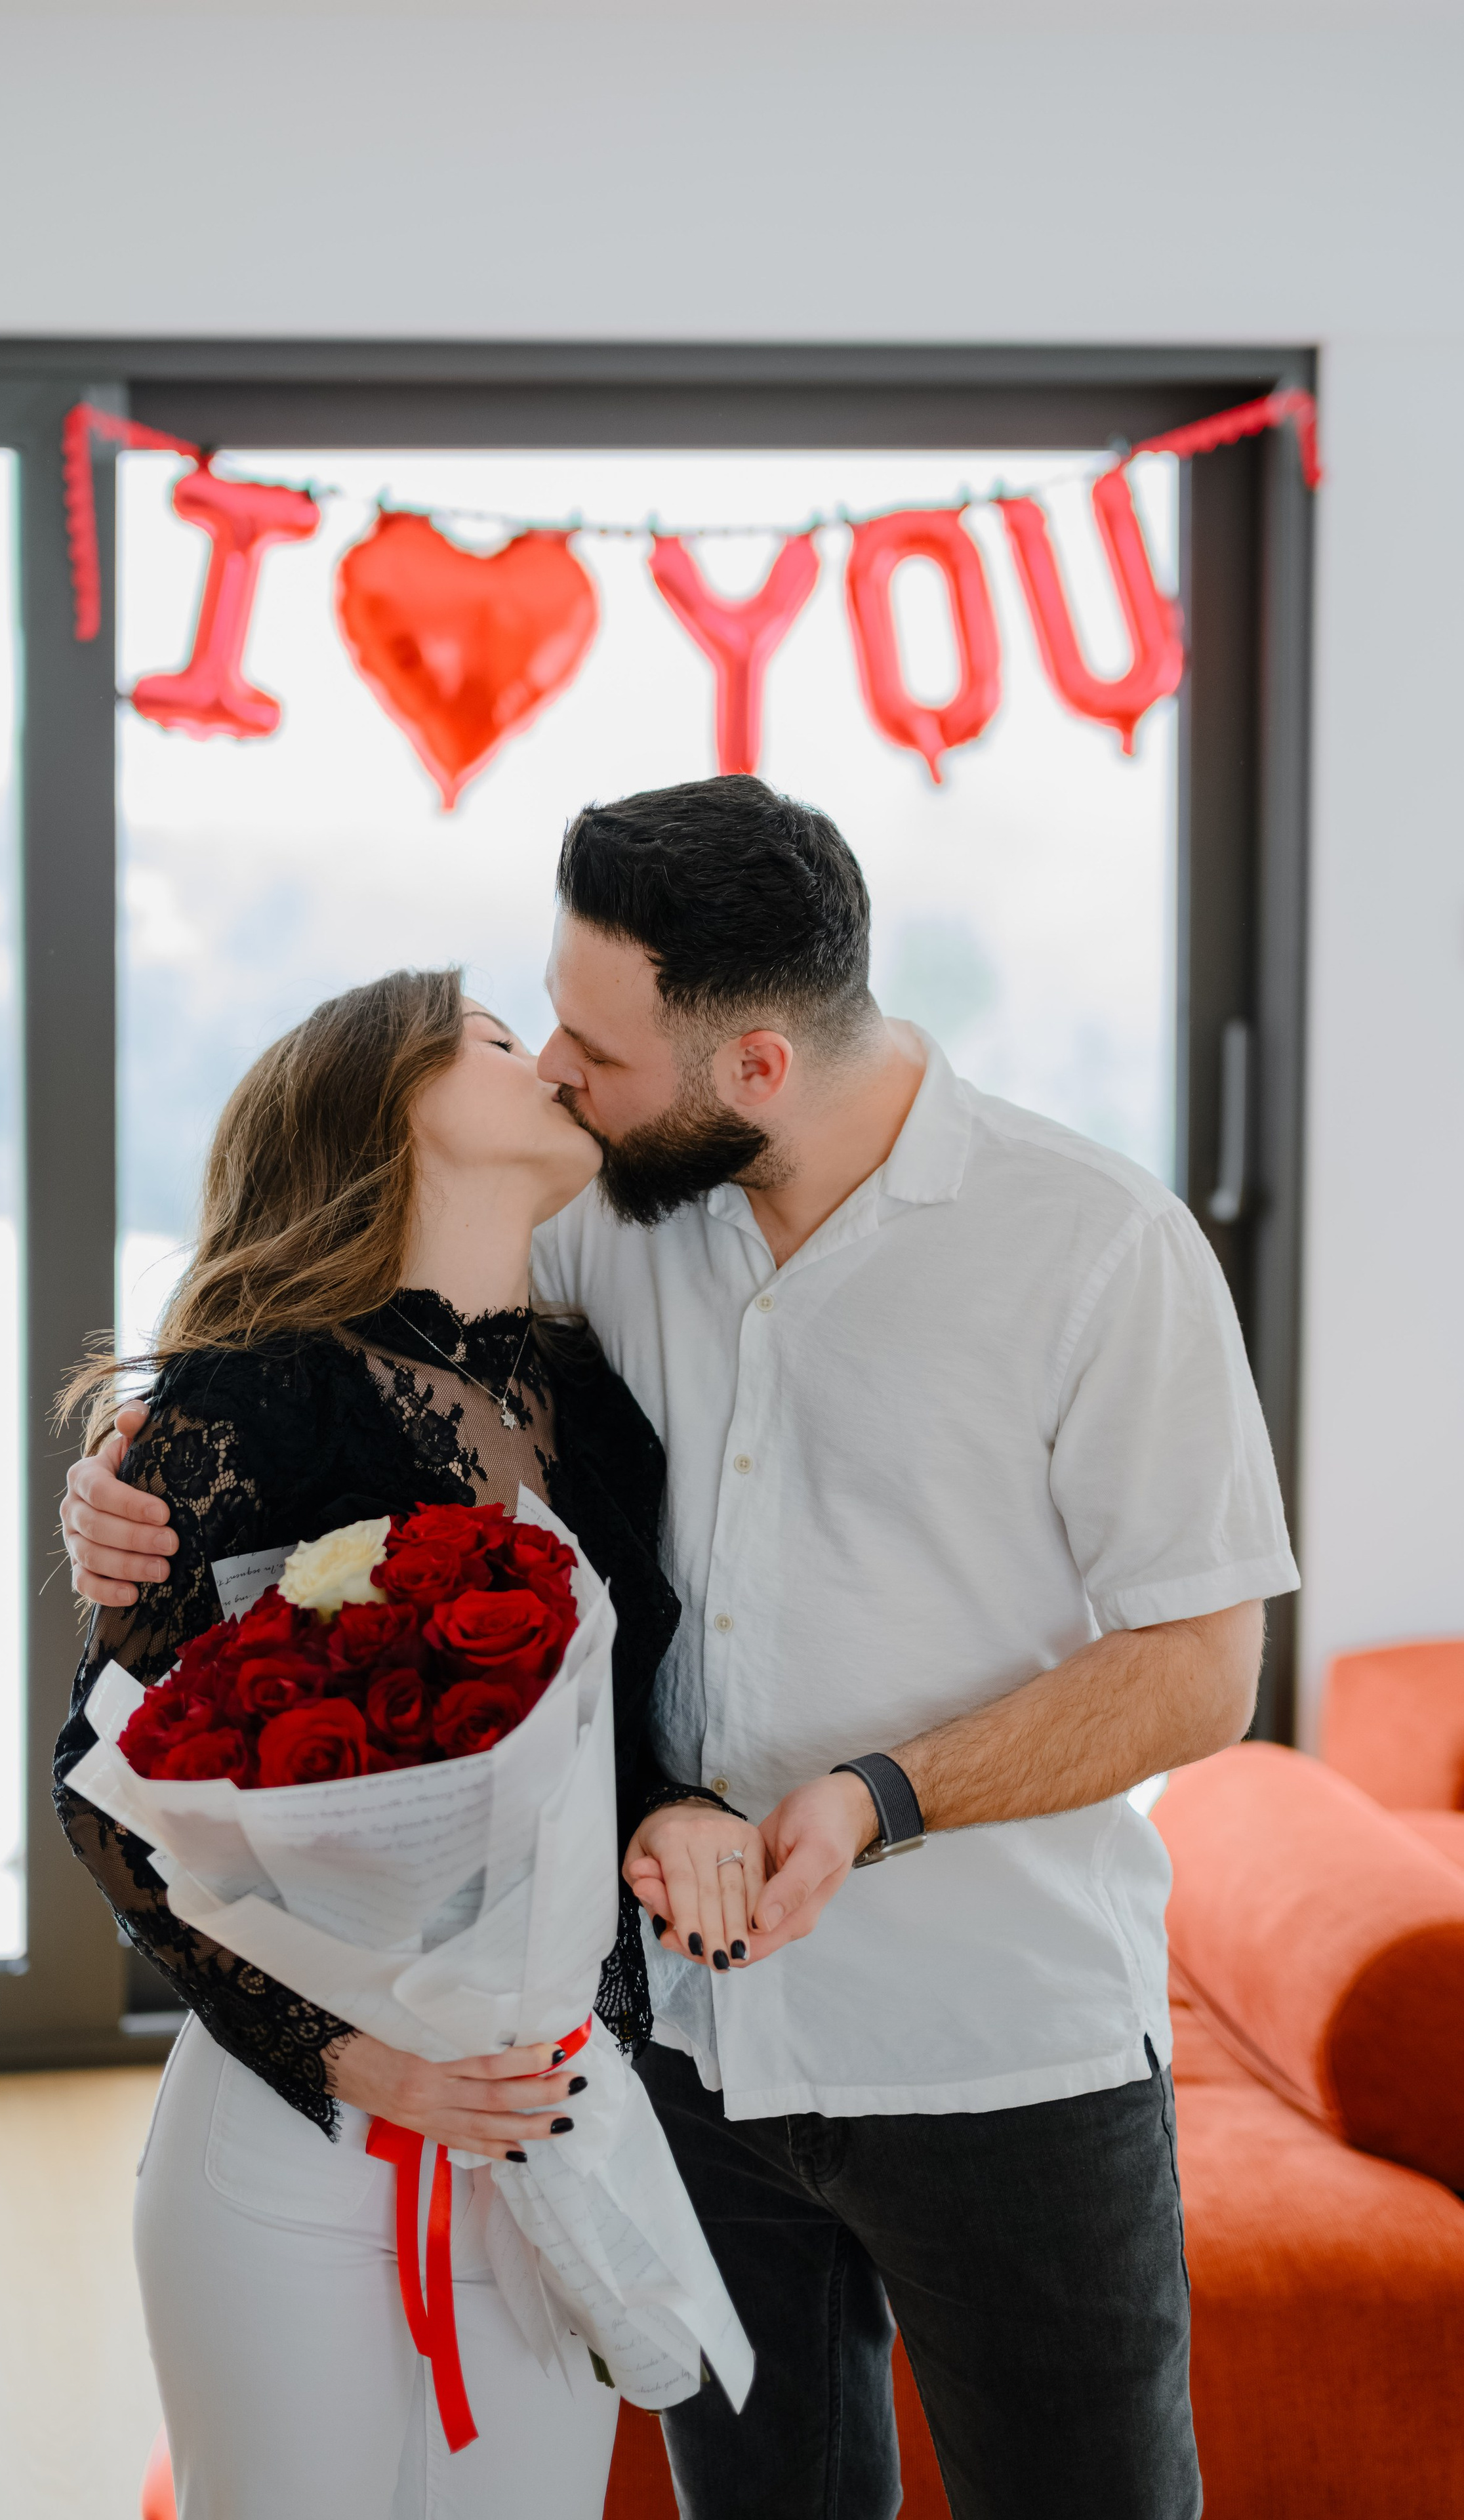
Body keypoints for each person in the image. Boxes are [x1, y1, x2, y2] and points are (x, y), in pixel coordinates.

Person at [62, 776, 1299, 2520]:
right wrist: (122, 1502)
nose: (560, 1070)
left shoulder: (1097, 1248)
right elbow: (343, 1298)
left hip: (996, 2054)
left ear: (756, 1070)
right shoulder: (608, 1206)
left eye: (594, 1044)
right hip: (683, 2056)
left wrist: (873, 1801)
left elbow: (1198, 1667)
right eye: (543, 1026)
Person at [52, 968, 710, 2520]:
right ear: (385, 1107)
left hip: (545, 2118)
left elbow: (622, 1736)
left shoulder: (598, 1403)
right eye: (490, 1037)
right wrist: (349, 2054)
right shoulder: (250, 1399)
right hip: (299, 2131)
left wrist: (675, 1819)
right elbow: (104, 1798)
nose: (539, 1058)